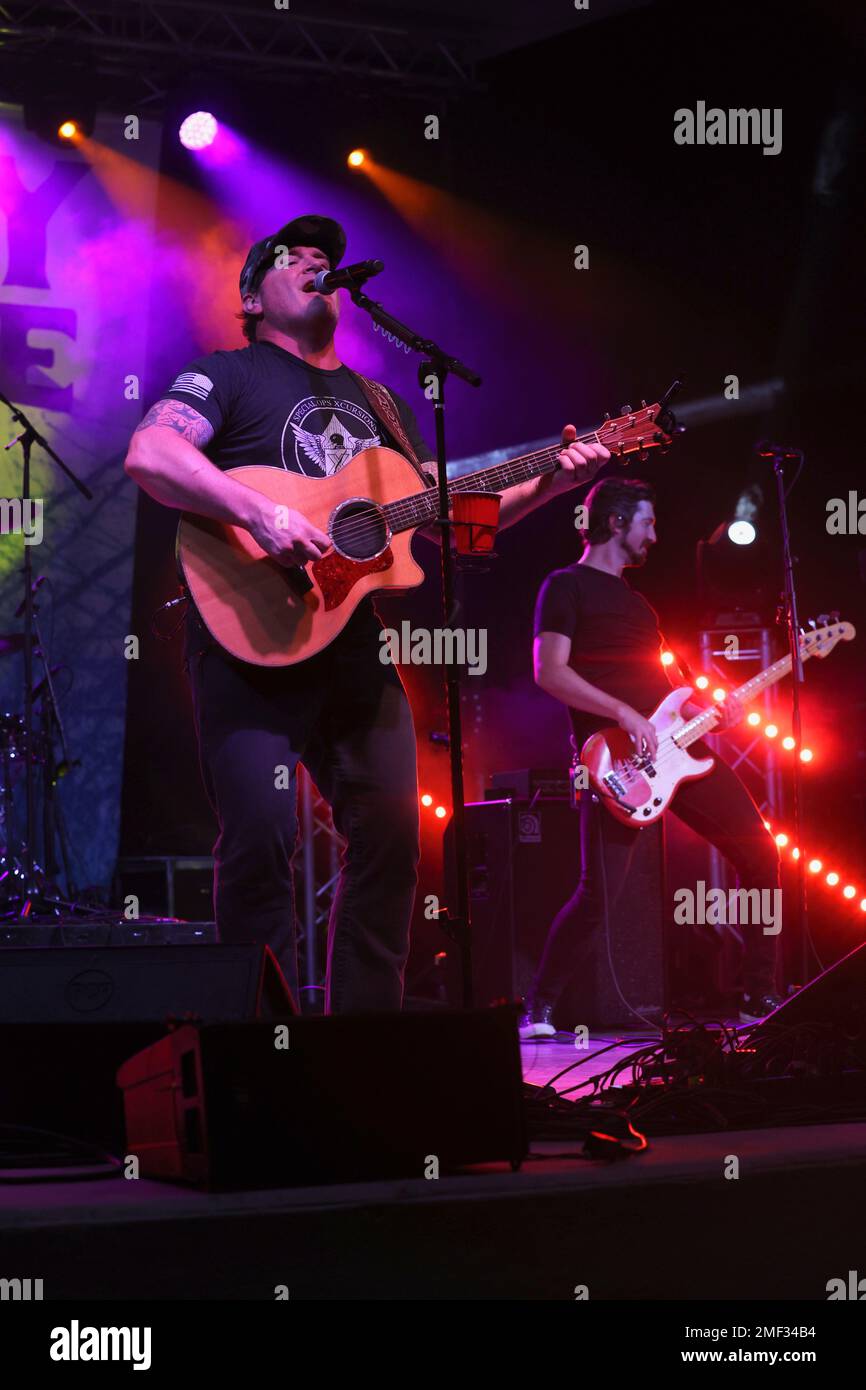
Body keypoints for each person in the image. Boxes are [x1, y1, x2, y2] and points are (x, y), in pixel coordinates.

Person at [124, 213, 611, 1013]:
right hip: (248, 638)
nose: (316, 264)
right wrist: (259, 512)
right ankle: (263, 1056)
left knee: (392, 837)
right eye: (293, 258)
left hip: (351, 646)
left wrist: (557, 478)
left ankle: (363, 1044)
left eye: (326, 259)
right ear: (251, 297)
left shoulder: (381, 403)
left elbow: (458, 519)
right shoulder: (225, 374)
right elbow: (153, 453)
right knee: (261, 844)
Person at [520, 475, 784, 1038]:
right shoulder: (564, 586)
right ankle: (539, 1007)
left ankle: (758, 995)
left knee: (761, 854)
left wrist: (716, 710)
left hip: (678, 750)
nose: (655, 535)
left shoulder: (641, 608)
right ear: (617, 523)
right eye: (649, 522)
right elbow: (549, 672)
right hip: (616, 762)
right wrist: (621, 713)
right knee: (598, 898)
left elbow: (670, 690)